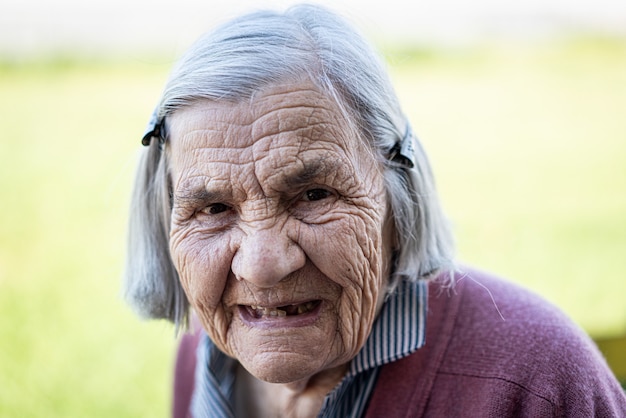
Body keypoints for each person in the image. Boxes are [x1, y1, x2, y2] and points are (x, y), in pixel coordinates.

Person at [124, 4, 626, 417]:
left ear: (397, 195)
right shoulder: (203, 355)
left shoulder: (533, 379)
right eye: (213, 208)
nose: (262, 264)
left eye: (314, 195)